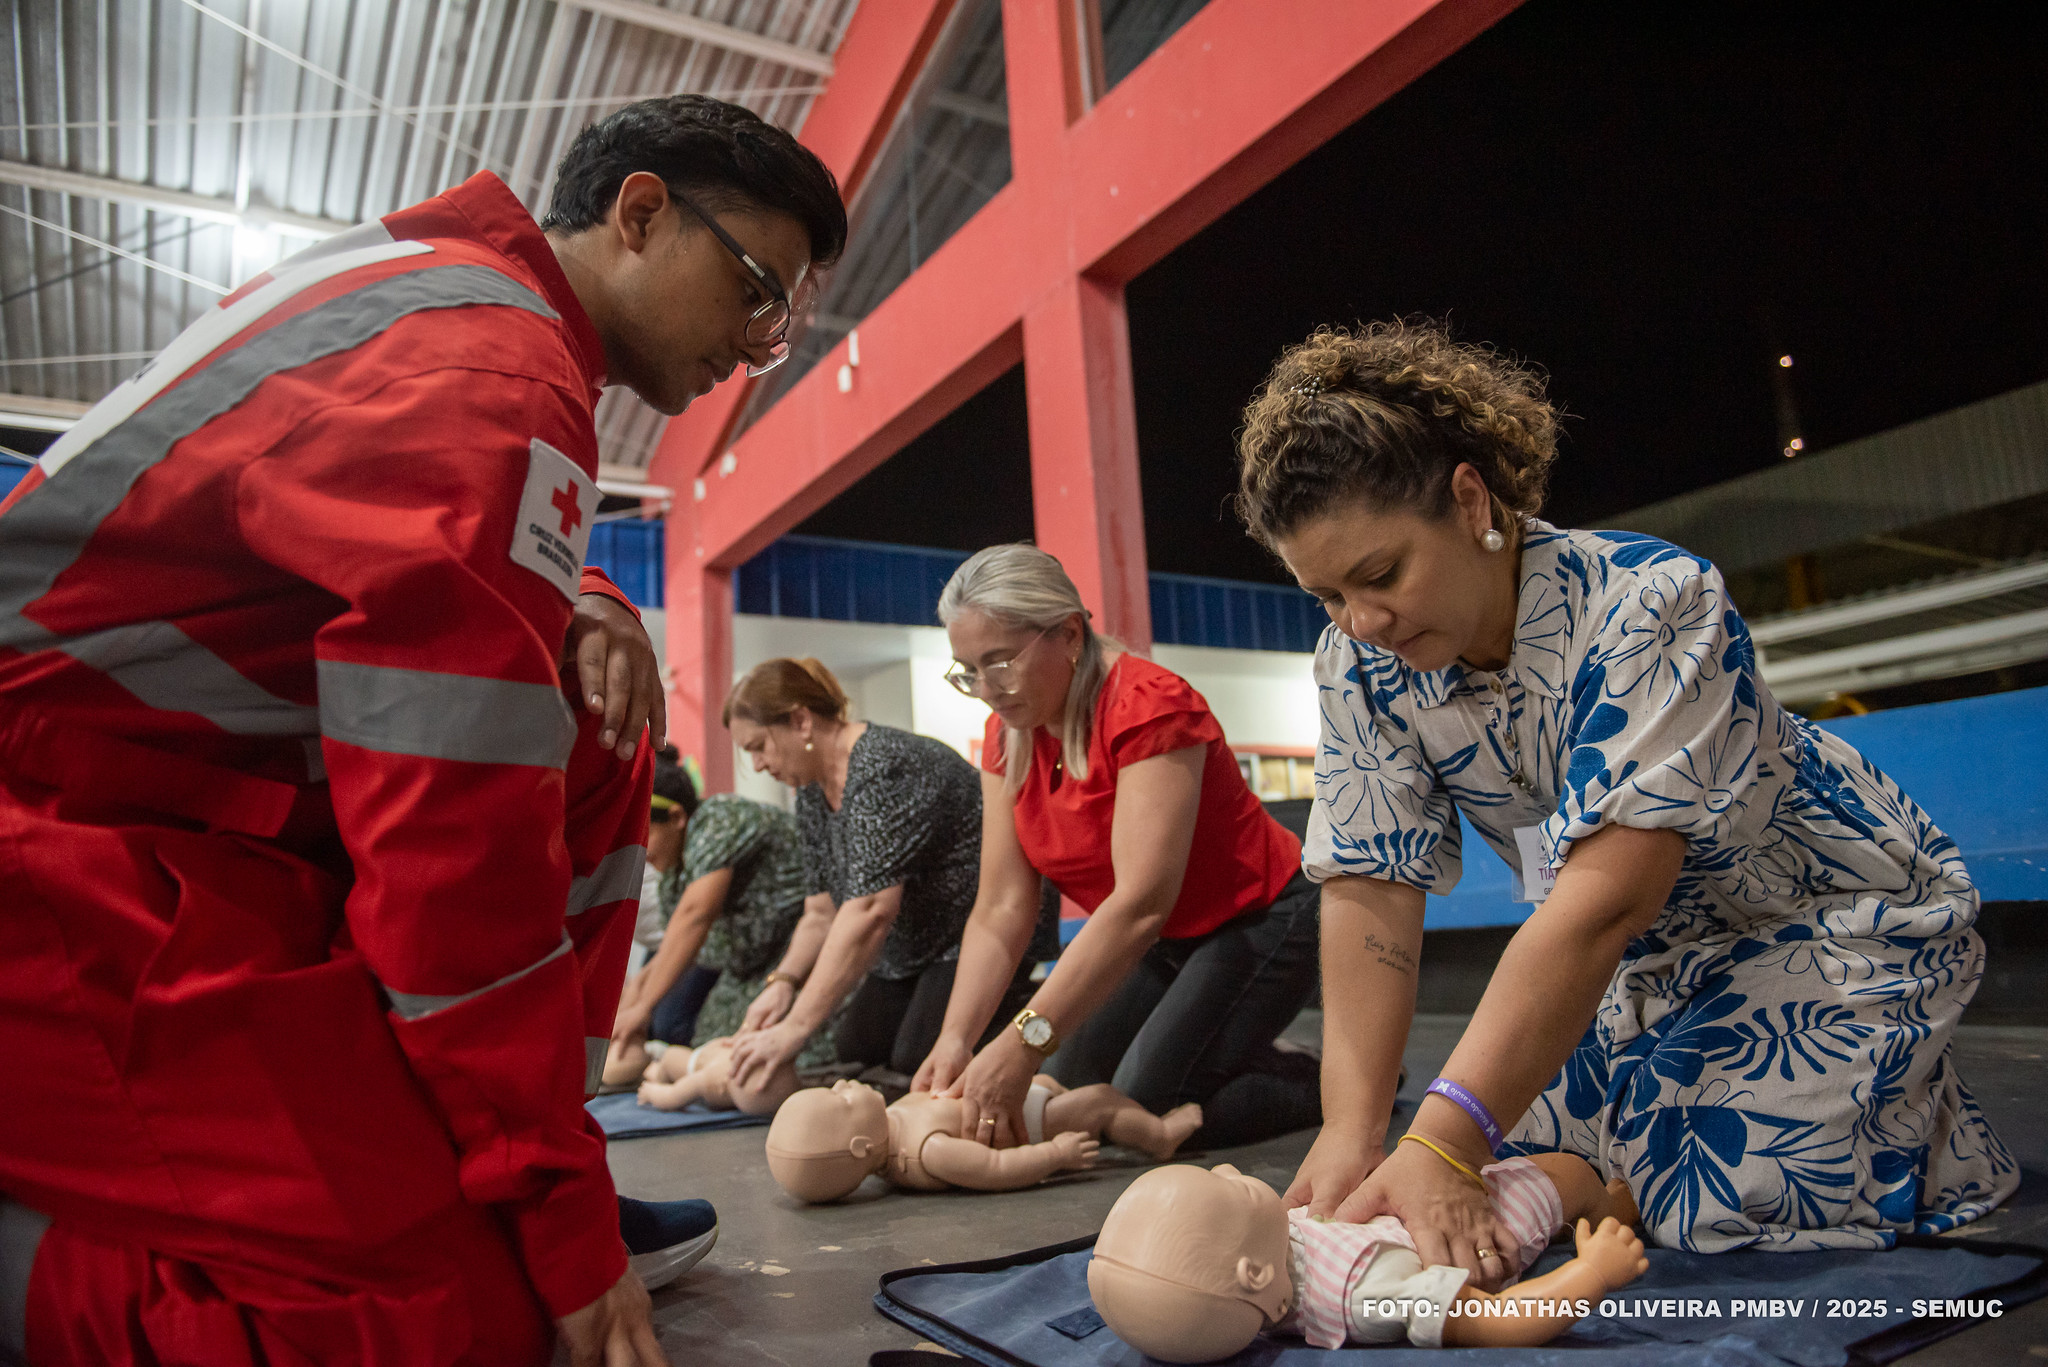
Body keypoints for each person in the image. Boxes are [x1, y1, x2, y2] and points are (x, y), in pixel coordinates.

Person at [0, 93, 844, 1367]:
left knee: (598, 704)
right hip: (60, 841)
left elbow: (427, 552)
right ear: (640, 213)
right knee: (444, 1321)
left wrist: (591, 595)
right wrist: (551, 1213)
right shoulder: (492, 367)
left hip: (174, 824)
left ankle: (492, 1146)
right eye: (754, 293)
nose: (756, 344)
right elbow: (449, 839)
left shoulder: (455, 304)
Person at [1239, 321, 2016, 1288]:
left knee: (1703, 1185)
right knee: (1488, 1149)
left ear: (1470, 499)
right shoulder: (1359, 663)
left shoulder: (1652, 602)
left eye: (1381, 574)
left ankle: (1911, 1123)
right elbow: (1371, 890)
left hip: (1824, 913)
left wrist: (1442, 1143)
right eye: (1327, 597)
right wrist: (1355, 1131)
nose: (1364, 621)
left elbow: (1607, 901)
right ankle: (1678, 1127)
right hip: (1650, 964)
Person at [912, 545, 1323, 1151]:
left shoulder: (1147, 704)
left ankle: (1333, 1079)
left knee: (1142, 1104)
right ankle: (1232, 1045)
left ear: (1069, 634)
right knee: (1068, 1085)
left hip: (1264, 916)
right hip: (1167, 939)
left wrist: (1019, 1040)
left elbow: (1139, 904)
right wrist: (957, 1038)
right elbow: (1001, 907)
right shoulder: (1007, 735)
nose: (985, 690)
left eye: (999, 663)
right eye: (967, 670)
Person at [723, 658, 1056, 1091]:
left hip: (977, 932)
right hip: (913, 944)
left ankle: (1037, 1014)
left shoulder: (885, 765)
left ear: (801, 721)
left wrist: (795, 1028)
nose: (759, 764)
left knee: (915, 1059)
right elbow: (821, 912)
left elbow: (871, 911)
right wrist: (782, 984)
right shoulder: (811, 791)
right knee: (855, 1049)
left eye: (758, 746)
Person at [605, 757, 815, 1086]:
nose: (641, 851)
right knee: (698, 1037)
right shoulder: (672, 870)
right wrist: (626, 1013)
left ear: (675, 817)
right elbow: (670, 943)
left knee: (737, 1051)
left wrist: (642, 1007)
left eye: (645, 834)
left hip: (794, 951)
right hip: (742, 964)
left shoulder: (719, 819)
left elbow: (695, 917)